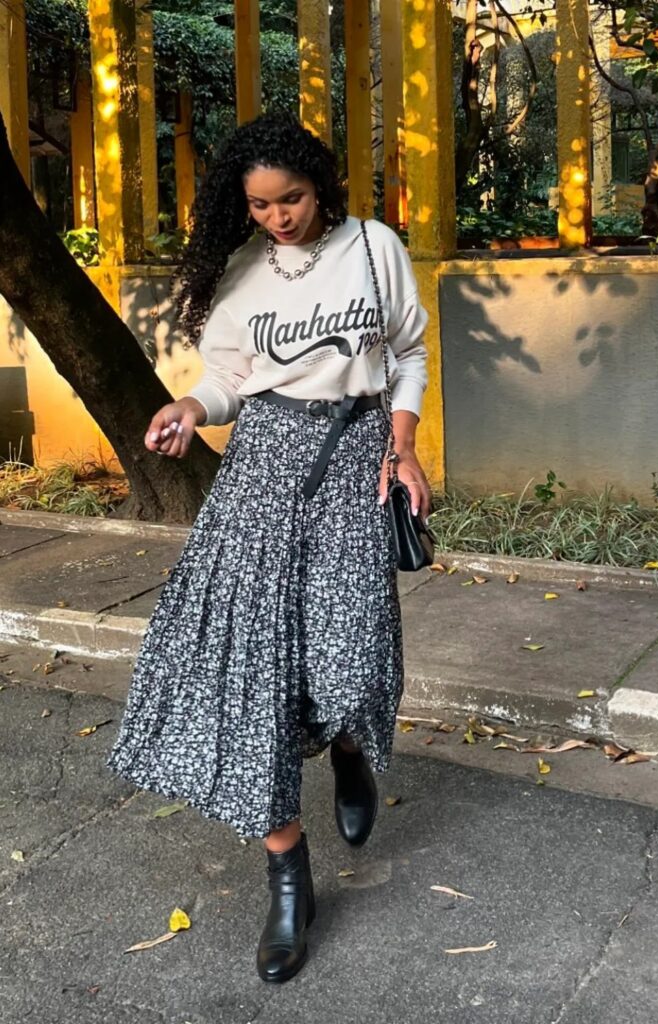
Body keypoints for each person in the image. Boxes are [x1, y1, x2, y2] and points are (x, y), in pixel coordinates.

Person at [107, 112, 430, 984]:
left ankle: (356, 745)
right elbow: (225, 381)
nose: (278, 217)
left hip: (356, 459)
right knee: (244, 676)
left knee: (356, 655)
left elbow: (406, 355)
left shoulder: (374, 248)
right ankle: (289, 872)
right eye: (259, 206)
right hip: (261, 470)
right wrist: (187, 409)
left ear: (319, 184)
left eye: (290, 198)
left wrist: (401, 448)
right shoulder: (243, 272)